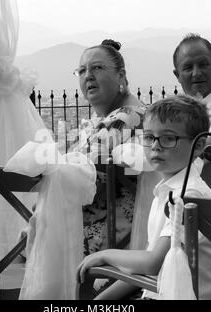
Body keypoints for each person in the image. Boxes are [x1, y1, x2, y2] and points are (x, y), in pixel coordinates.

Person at [77, 95, 211, 300]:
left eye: (168, 138)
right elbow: (151, 268)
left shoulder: (188, 195)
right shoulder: (166, 191)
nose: (155, 146)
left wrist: (103, 255)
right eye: (149, 137)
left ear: (199, 146)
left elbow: (152, 263)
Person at [71, 39, 158, 255]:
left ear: (120, 76)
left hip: (107, 234)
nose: (88, 76)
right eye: (81, 71)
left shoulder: (125, 118)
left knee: (33, 235)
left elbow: (72, 174)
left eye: (97, 68)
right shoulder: (133, 113)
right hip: (116, 229)